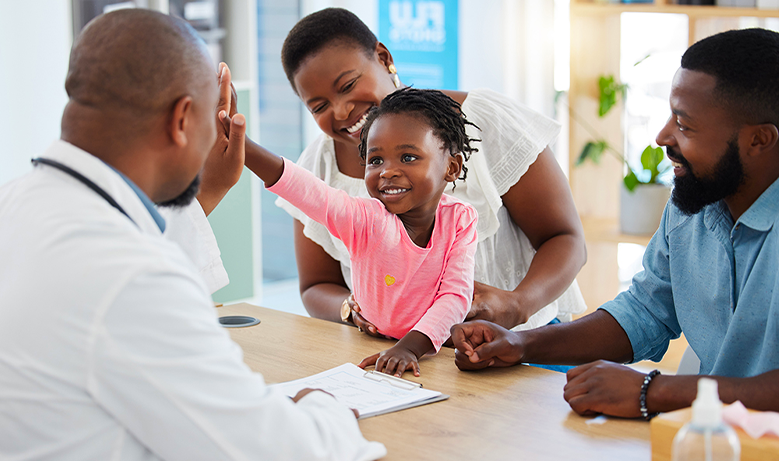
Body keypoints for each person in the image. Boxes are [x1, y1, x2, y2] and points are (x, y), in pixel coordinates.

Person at [0, 9, 385, 460]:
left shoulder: (17, 205)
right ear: (183, 119)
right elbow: (280, 451)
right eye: (210, 116)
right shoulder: (129, 276)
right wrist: (323, 408)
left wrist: (202, 195)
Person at [451, 28, 779, 418]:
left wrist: (653, 391)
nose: (662, 136)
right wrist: (522, 344)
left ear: (759, 141)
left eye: (685, 125)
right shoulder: (695, 203)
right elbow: (645, 312)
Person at [244, 7, 587, 337]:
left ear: (383, 57)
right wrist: (351, 309)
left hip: (522, 347)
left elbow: (564, 238)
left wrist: (516, 304)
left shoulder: (482, 121)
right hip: (398, 361)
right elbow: (317, 285)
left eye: (347, 85)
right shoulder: (317, 165)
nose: (342, 110)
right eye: (319, 106)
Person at [245, 88, 478, 377]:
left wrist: (409, 348)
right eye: (376, 160)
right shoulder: (366, 219)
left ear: (451, 167)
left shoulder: (460, 219)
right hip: (365, 350)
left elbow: (456, 296)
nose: (387, 171)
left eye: (407, 157)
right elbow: (310, 192)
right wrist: (243, 147)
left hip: (433, 355)